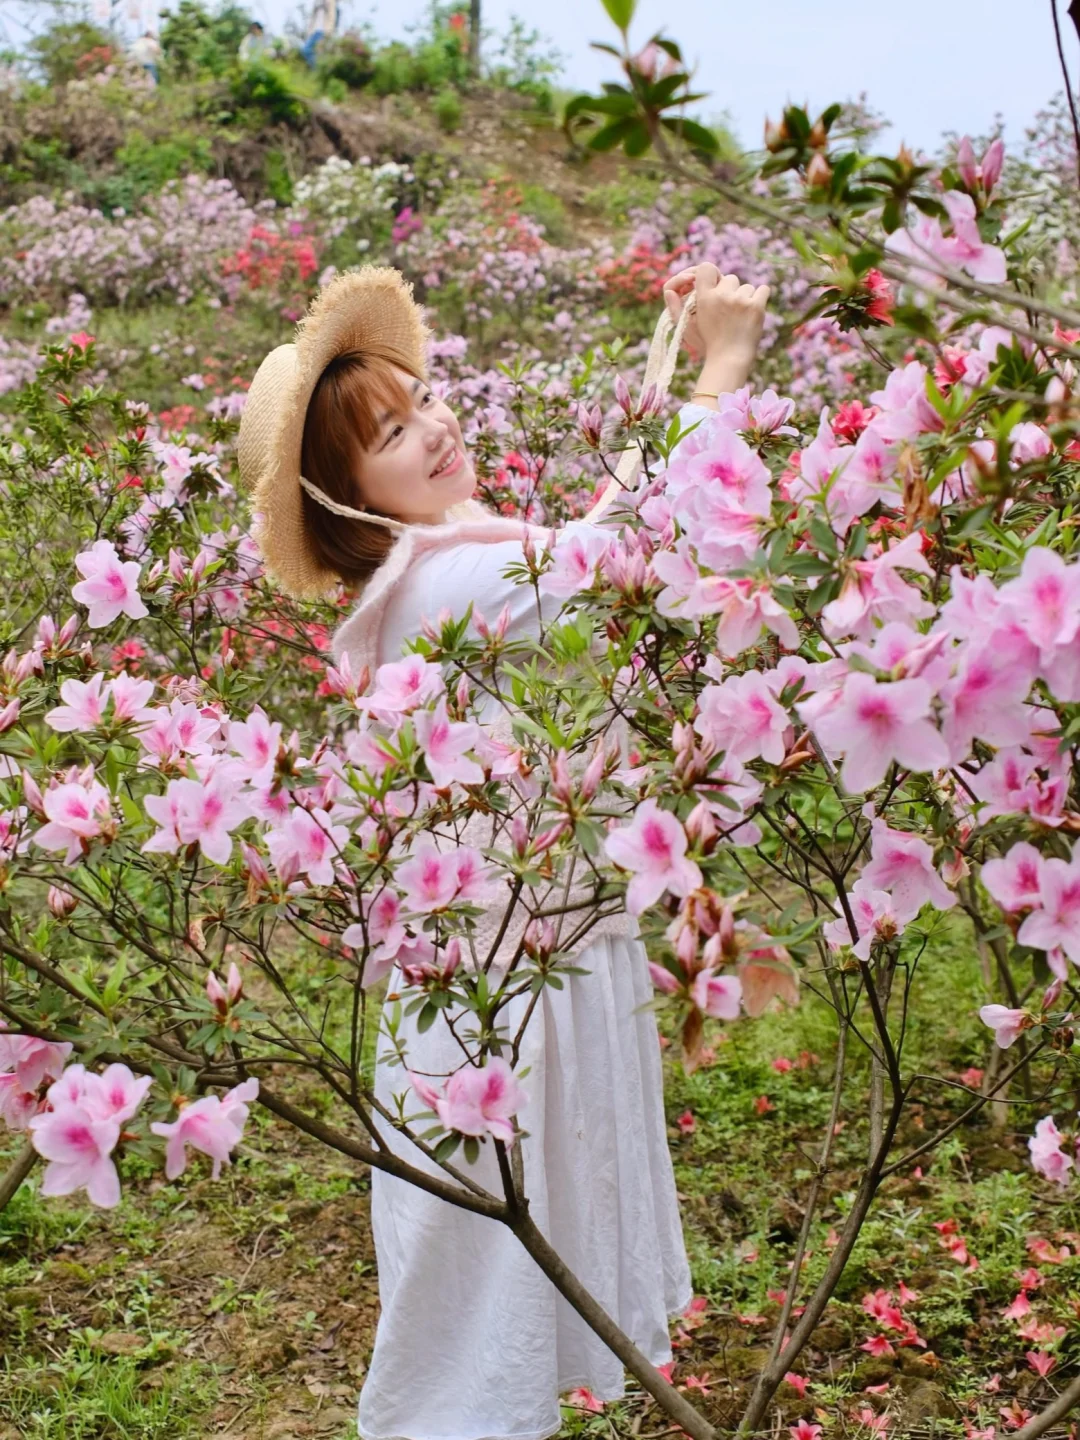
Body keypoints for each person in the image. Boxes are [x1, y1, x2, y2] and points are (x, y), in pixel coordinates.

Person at [237, 262, 769, 1440]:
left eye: (423, 399)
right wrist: (726, 368)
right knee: (473, 1309)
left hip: (533, 967)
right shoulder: (443, 588)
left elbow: (588, 540)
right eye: (390, 434)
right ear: (343, 501)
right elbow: (614, 557)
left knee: (512, 1272)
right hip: (498, 997)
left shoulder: (454, 563)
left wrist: (681, 371)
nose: (434, 428)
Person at [301, 0, 336, 68]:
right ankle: (316, 68)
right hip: (314, 31)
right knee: (305, 49)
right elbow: (312, 17)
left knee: (320, 52)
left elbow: (332, 17)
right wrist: (309, 32)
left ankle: (318, 70)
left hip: (324, 31)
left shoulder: (330, 1)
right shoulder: (316, 2)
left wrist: (329, 32)